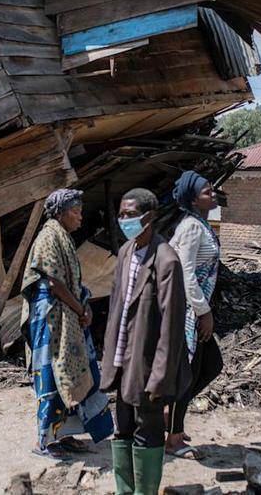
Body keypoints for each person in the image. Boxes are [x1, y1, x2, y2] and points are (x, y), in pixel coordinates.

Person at [101, 188, 190, 495]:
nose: (122, 220)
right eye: (121, 214)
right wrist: (109, 358)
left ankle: (144, 492)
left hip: (149, 365)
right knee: (122, 428)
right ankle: (124, 490)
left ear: (148, 218)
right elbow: (116, 309)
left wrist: (161, 376)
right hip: (122, 360)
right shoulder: (126, 252)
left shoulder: (166, 261)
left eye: (129, 215)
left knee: (148, 431)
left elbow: (172, 326)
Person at [21, 188, 114, 459]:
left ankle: (66, 435)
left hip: (67, 317)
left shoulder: (63, 238)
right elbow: (52, 282)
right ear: (60, 213)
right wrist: (79, 307)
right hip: (50, 321)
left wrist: (83, 308)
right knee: (52, 376)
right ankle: (45, 441)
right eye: (76, 212)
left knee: (73, 375)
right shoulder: (49, 237)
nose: (80, 218)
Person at [166, 171, 225, 459]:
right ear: (192, 199)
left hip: (195, 308)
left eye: (212, 190)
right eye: (207, 192)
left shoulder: (202, 225)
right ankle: (174, 440)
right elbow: (186, 272)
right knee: (186, 375)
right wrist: (204, 312)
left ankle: (170, 415)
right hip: (188, 311)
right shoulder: (191, 227)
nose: (213, 195)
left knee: (211, 365)